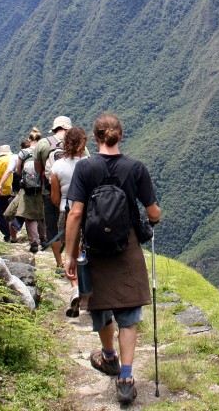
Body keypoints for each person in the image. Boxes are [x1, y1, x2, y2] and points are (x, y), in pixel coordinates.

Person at [63, 113, 161, 404]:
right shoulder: (136, 169)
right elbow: (153, 212)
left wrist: (69, 254)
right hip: (126, 246)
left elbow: (76, 213)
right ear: (122, 136)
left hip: (93, 248)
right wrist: (151, 222)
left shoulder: (85, 168)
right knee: (128, 315)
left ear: (95, 138)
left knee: (101, 306)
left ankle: (108, 356)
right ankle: (127, 378)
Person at [50, 126, 88, 316]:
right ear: (83, 143)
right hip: (89, 212)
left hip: (66, 212)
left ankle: (75, 287)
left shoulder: (57, 167)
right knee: (86, 249)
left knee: (71, 251)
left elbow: (55, 197)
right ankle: (88, 289)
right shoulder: (90, 164)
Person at [34, 115, 78, 274]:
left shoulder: (43, 144)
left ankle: (60, 264)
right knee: (75, 227)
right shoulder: (79, 144)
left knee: (52, 228)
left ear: (55, 128)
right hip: (75, 195)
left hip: (50, 192)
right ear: (69, 128)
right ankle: (74, 260)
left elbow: (38, 169)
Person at [0, 130, 45, 250]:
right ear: (40, 139)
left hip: (27, 189)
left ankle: (34, 242)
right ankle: (44, 239)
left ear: (29, 140)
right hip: (41, 187)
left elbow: (18, 172)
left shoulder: (23, 153)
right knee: (41, 214)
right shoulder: (43, 150)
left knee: (30, 216)